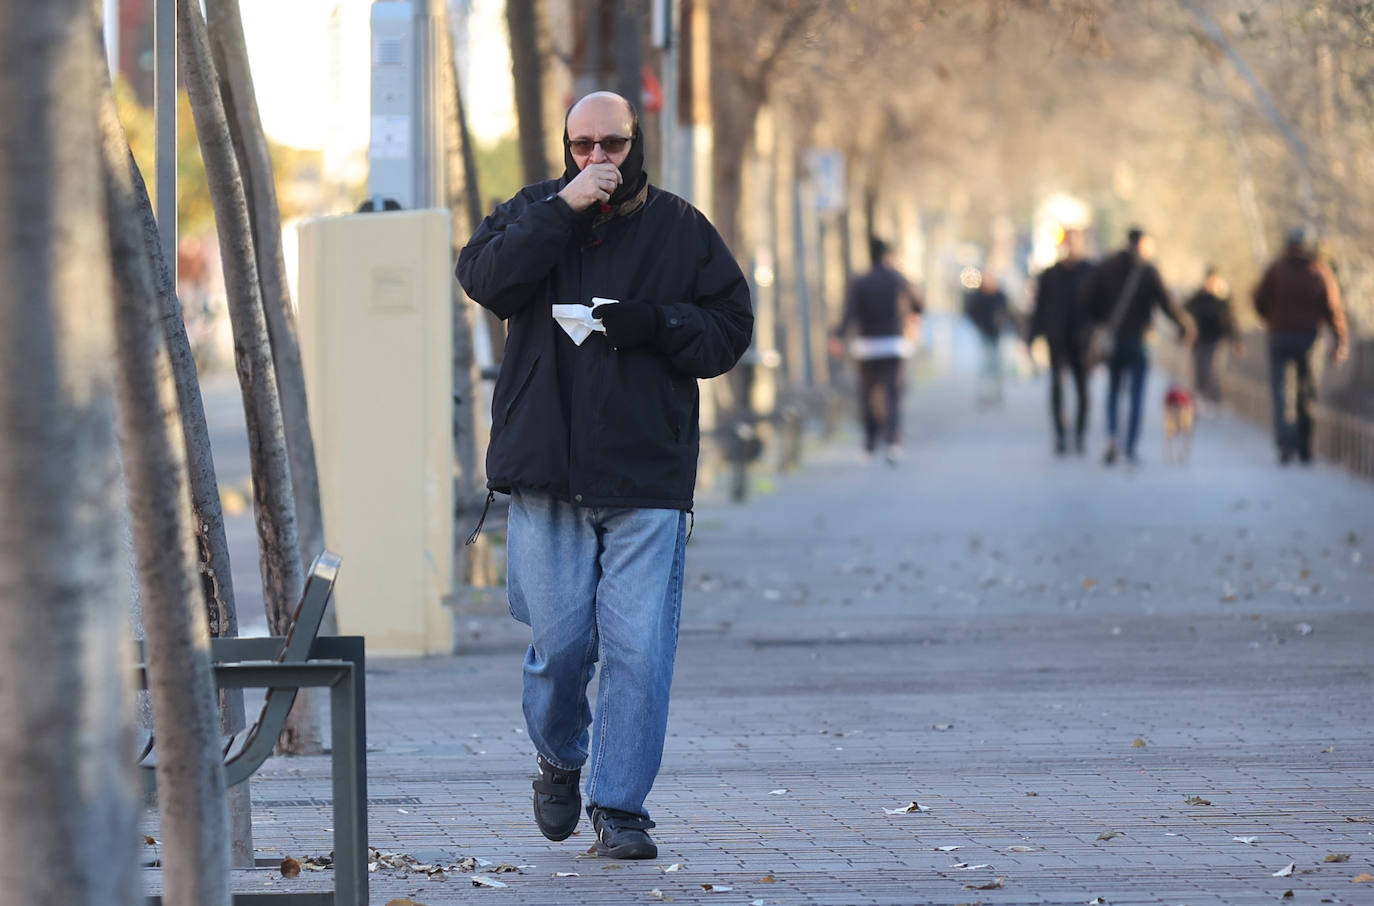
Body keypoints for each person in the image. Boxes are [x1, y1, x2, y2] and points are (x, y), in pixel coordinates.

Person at [456, 91, 753, 859]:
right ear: (565, 148)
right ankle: (559, 757)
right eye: (582, 145)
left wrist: (656, 322)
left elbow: (730, 329)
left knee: (639, 651)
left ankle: (620, 807)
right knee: (560, 646)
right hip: (547, 471)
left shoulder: (681, 228)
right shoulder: (532, 213)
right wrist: (562, 210)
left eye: (612, 144)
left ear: (636, 144)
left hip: (647, 473)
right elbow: (485, 280)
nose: (598, 158)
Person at [1084, 226, 1192, 466]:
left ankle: (1112, 437)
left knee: (1113, 390)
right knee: (1136, 394)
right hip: (1138, 340)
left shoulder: (1107, 266)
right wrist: (1183, 325)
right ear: (1142, 244)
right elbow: (1165, 304)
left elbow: (1089, 300)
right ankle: (1130, 447)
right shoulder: (1147, 270)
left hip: (1112, 340)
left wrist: (1101, 324)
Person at [1253, 226, 1349, 464]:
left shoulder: (1276, 269)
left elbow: (1258, 298)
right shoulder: (1318, 270)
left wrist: (1270, 318)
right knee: (1306, 392)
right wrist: (1340, 339)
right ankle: (1305, 447)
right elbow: (1333, 307)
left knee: (1280, 391)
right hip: (1309, 338)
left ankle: (1285, 444)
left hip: (1280, 336)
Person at [828, 237, 923, 463]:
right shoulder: (897, 279)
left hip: (867, 346)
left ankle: (870, 443)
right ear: (887, 255)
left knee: (868, 393)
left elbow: (849, 313)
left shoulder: (860, 282)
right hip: (893, 344)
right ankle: (892, 441)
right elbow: (919, 304)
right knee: (892, 393)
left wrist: (838, 336)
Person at [1027, 228, 1094, 454]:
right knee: (1056, 386)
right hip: (1056, 338)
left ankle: (1080, 435)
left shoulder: (1089, 271)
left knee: (1082, 388)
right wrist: (1032, 337)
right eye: (1067, 243)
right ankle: (1060, 436)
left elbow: (1100, 306)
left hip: (1082, 340)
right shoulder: (1050, 274)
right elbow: (1040, 307)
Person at [1183, 266, 1238, 406]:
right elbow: (1185, 308)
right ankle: (1199, 399)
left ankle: (1214, 401)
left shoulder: (1222, 297)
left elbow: (1230, 319)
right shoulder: (1199, 295)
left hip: (1216, 339)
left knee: (1213, 370)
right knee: (1200, 370)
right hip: (1199, 339)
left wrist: (1236, 339)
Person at [963, 270, 1009, 407]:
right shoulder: (978, 296)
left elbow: (1006, 312)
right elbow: (971, 312)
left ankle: (997, 392)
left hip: (997, 333)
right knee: (985, 362)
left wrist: (1002, 323)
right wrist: (980, 325)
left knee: (997, 363)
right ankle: (984, 392)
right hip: (984, 332)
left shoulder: (999, 295)